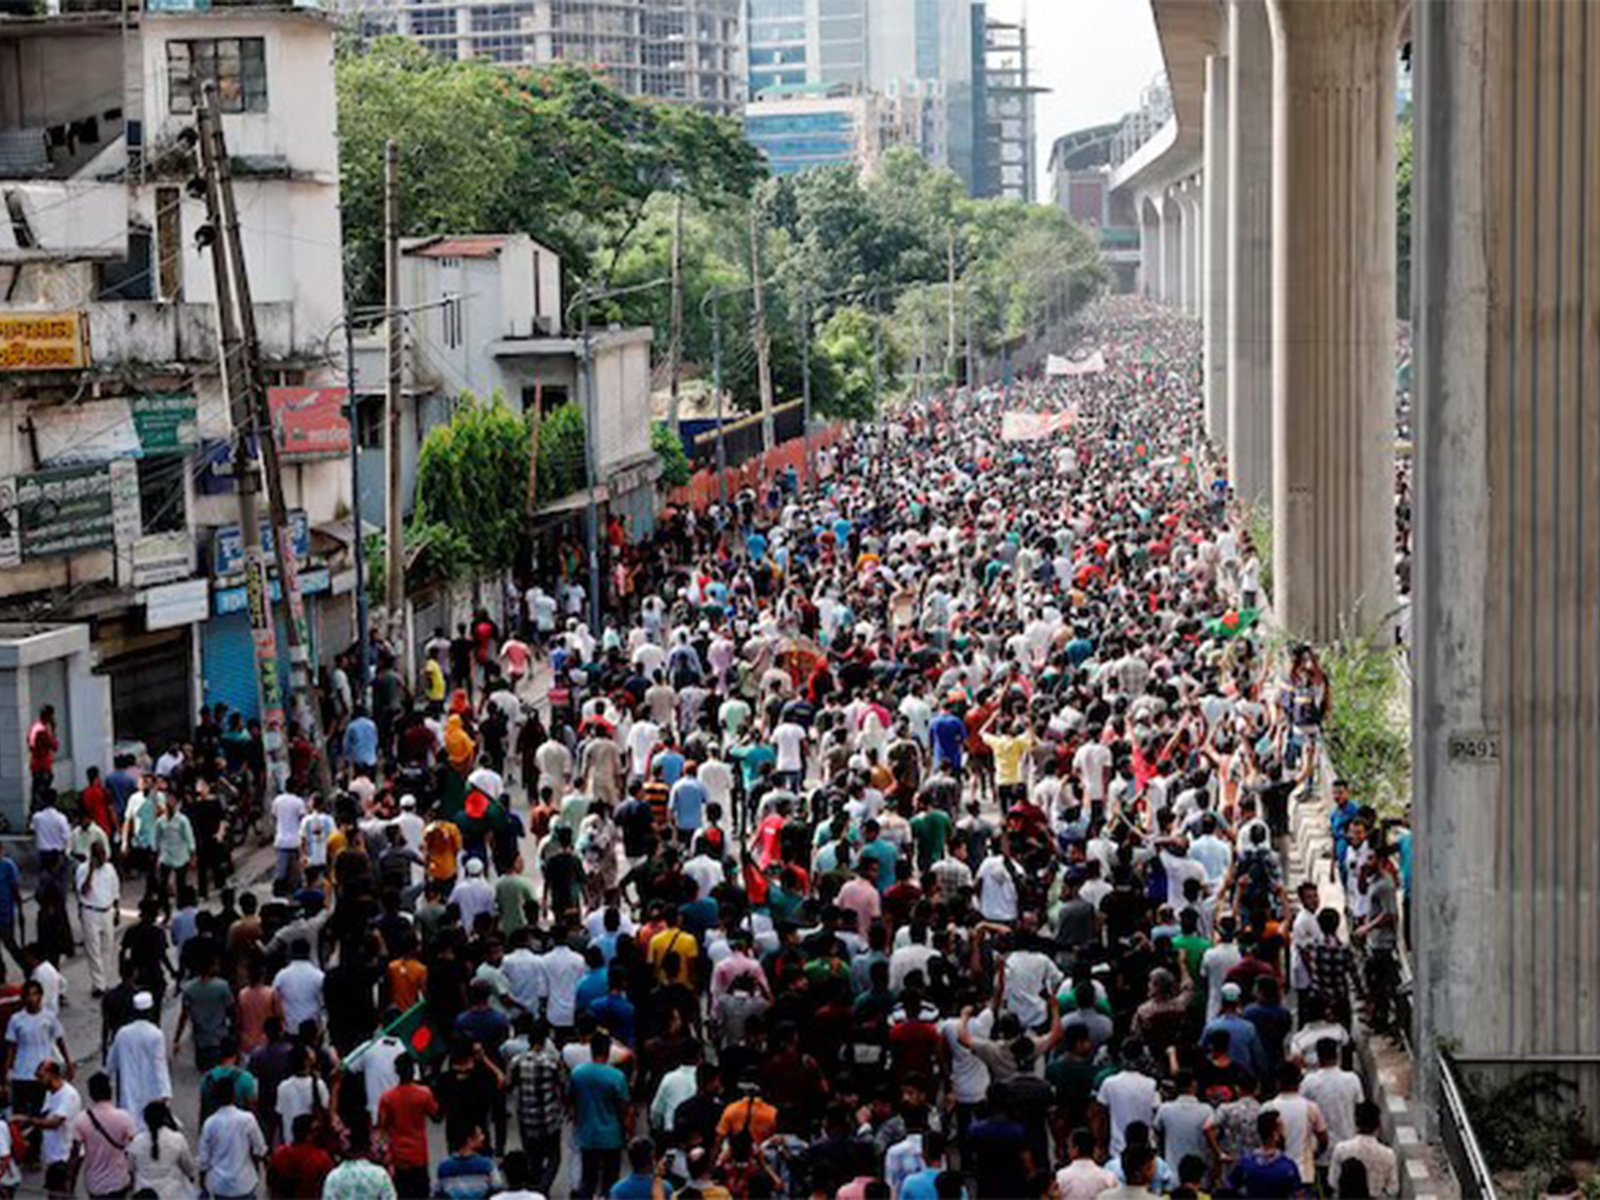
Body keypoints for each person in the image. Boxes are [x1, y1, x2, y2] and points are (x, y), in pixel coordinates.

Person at [569, 1032, 630, 1199]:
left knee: (588, 1180)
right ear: (608, 1051)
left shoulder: (578, 1073)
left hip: (587, 1135)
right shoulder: (617, 1076)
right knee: (610, 1183)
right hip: (612, 1137)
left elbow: (571, 1101)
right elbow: (624, 1108)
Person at [106, 991, 171, 1135]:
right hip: (152, 1093)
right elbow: (160, 1066)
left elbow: (110, 1064)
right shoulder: (156, 1034)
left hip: (127, 1093)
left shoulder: (122, 1033)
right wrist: (165, 1093)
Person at [376, 1054, 438, 1199]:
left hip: (399, 1156)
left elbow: (382, 1127)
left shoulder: (387, 1098)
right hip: (419, 1154)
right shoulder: (424, 1094)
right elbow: (436, 1116)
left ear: (396, 1071)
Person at [196, 1075, 268, 1200]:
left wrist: (203, 1182)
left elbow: (203, 1160)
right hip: (244, 1184)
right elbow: (260, 1149)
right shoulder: (248, 1119)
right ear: (234, 1095)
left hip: (220, 1186)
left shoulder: (210, 1123)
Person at [67, 1072, 135, 1200]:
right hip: (119, 1181)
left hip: (95, 1184)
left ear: (91, 1094)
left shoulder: (82, 1120)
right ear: (110, 1091)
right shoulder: (124, 1118)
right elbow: (132, 1150)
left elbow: (74, 1154)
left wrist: (70, 1182)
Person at [128, 1100, 198, 1200]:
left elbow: (130, 1168)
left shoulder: (136, 1141)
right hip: (171, 1194)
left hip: (143, 1193)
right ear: (165, 1118)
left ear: (145, 1119)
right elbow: (188, 1166)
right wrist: (191, 1176)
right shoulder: (177, 1139)